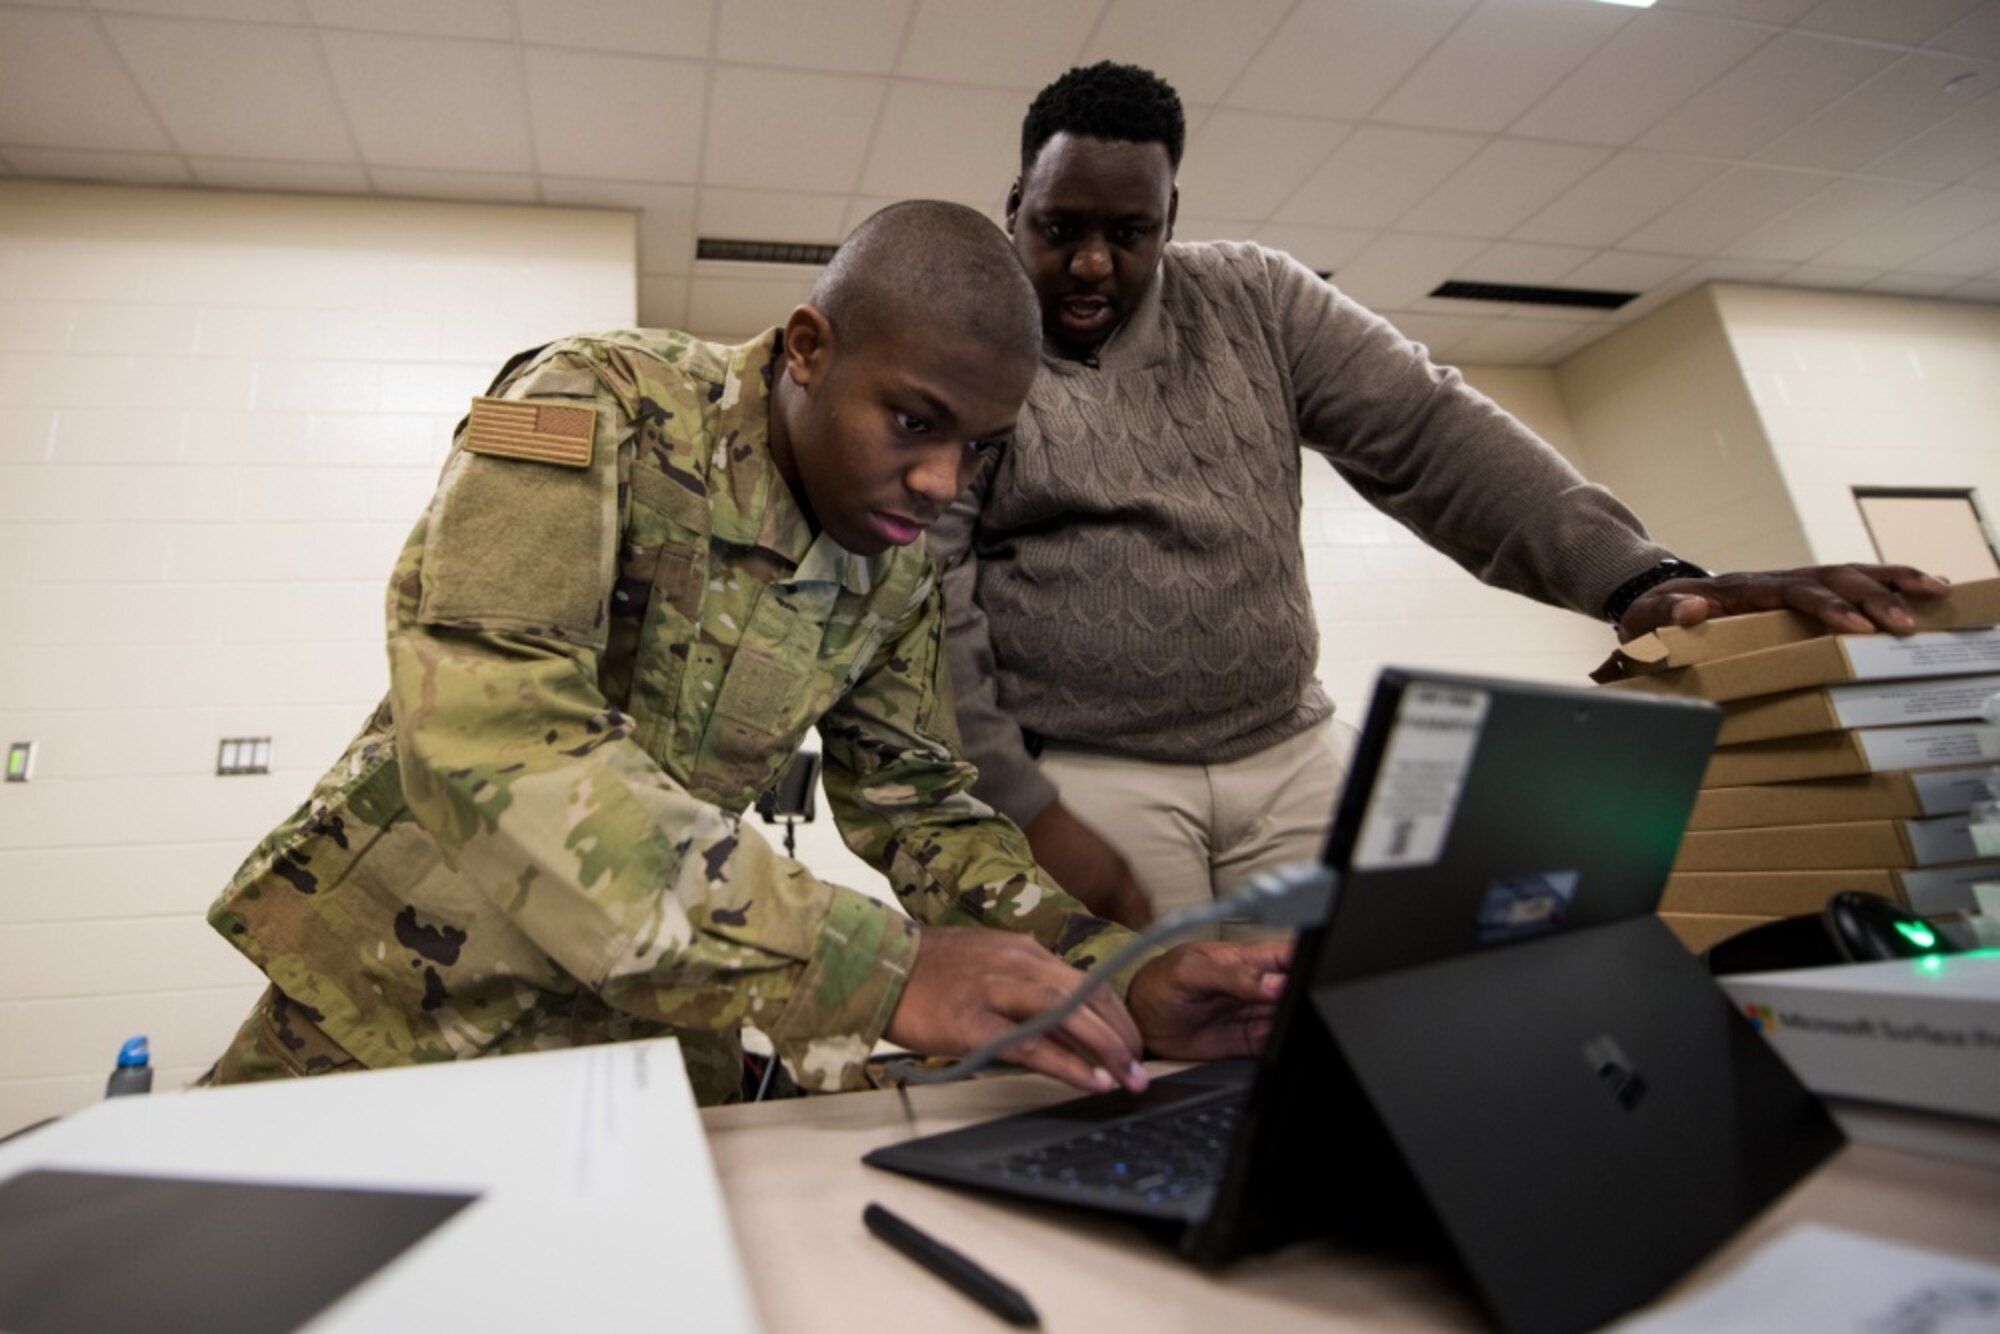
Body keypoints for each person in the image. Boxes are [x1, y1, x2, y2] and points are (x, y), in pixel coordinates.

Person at [202, 200, 1286, 1107]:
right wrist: (871, 968)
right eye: (916, 422)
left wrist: (1110, 971)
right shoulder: (590, 401)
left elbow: (918, 807)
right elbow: (495, 735)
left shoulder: (895, 559)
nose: (942, 481)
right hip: (398, 1008)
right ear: (808, 349)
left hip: (648, 1039)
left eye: (976, 447)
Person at [929, 63, 1949, 933]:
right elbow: (934, 595)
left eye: (1128, 231)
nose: (1093, 263)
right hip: (1093, 773)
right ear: (1013, 203)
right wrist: (1013, 789)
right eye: (1059, 226)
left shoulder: (1255, 298)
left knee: (1345, 1012)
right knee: (1147, 1036)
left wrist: (1636, 579)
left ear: (1170, 221)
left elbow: (1431, 432)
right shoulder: (967, 344)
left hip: (1287, 752)